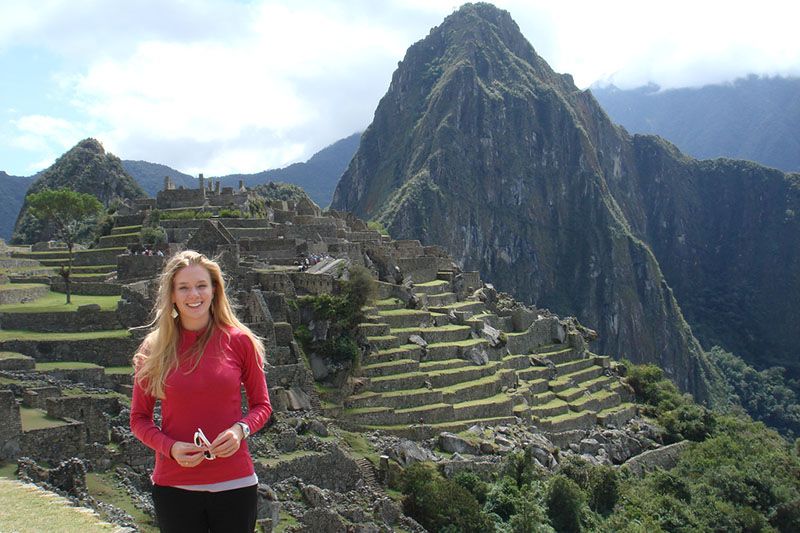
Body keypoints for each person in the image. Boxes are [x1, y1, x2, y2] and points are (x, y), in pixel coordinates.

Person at [130, 250, 271, 532]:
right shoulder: (154, 349)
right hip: (175, 485)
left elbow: (262, 406)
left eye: (201, 286)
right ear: (171, 295)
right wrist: (170, 448)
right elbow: (139, 419)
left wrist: (239, 430)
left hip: (234, 483)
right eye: (183, 287)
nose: (193, 295)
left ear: (214, 290)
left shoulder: (240, 341)